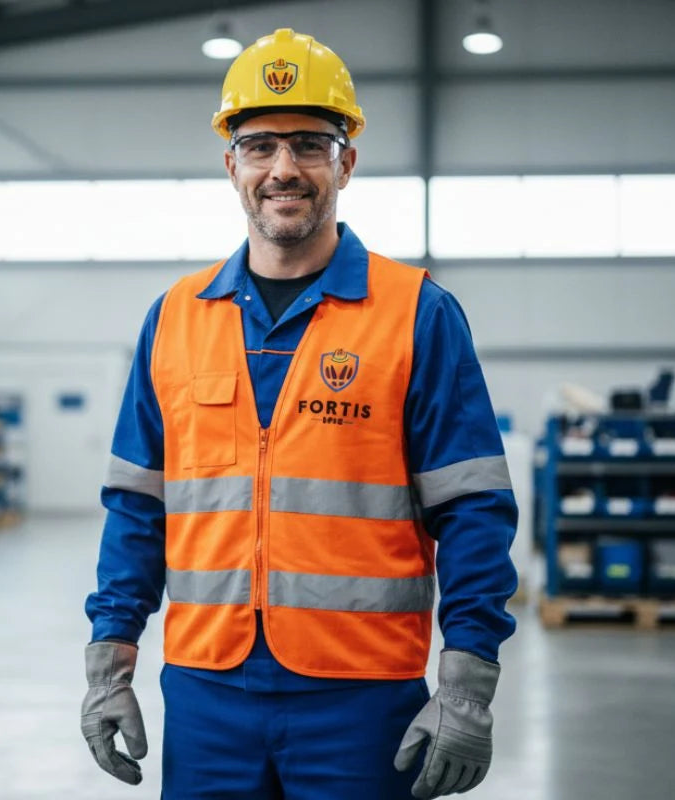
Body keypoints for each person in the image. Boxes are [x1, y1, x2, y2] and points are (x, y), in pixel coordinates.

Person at [82, 27, 517, 799]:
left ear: (346, 162)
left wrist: (467, 683)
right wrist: (110, 664)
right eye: (260, 146)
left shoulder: (416, 313)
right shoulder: (174, 318)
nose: (284, 168)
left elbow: (475, 506)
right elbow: (136, 508)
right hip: (206, 692)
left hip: (363, 697)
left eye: (310, 144)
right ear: (232, 166)